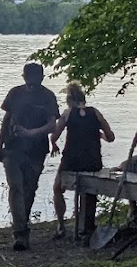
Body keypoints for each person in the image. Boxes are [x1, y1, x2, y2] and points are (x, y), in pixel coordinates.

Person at [0, 61, 61, 251]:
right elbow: (7, 118)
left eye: (36, 80)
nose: (32, 83)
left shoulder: (48, 97)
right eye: (28, 79)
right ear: (23, 77)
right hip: (12, 149)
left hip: (36, 151)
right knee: (15, 187)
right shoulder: (15, 93)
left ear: (42, 78)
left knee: (29, 189)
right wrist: (0, 145)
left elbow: (52, 126)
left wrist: (30, 133)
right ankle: (20, 233)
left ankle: (23, 227)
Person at [49, 83, 115, 239]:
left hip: (72, 161)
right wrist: (100, 135)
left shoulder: (67, 113)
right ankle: (87, 224)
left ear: (69, 100)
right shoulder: (96, 113)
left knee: (58, 188)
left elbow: (55, 135)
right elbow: (111, 137)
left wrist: (54, 145)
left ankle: (61, 225)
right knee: (89, 188)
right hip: (92, 161)